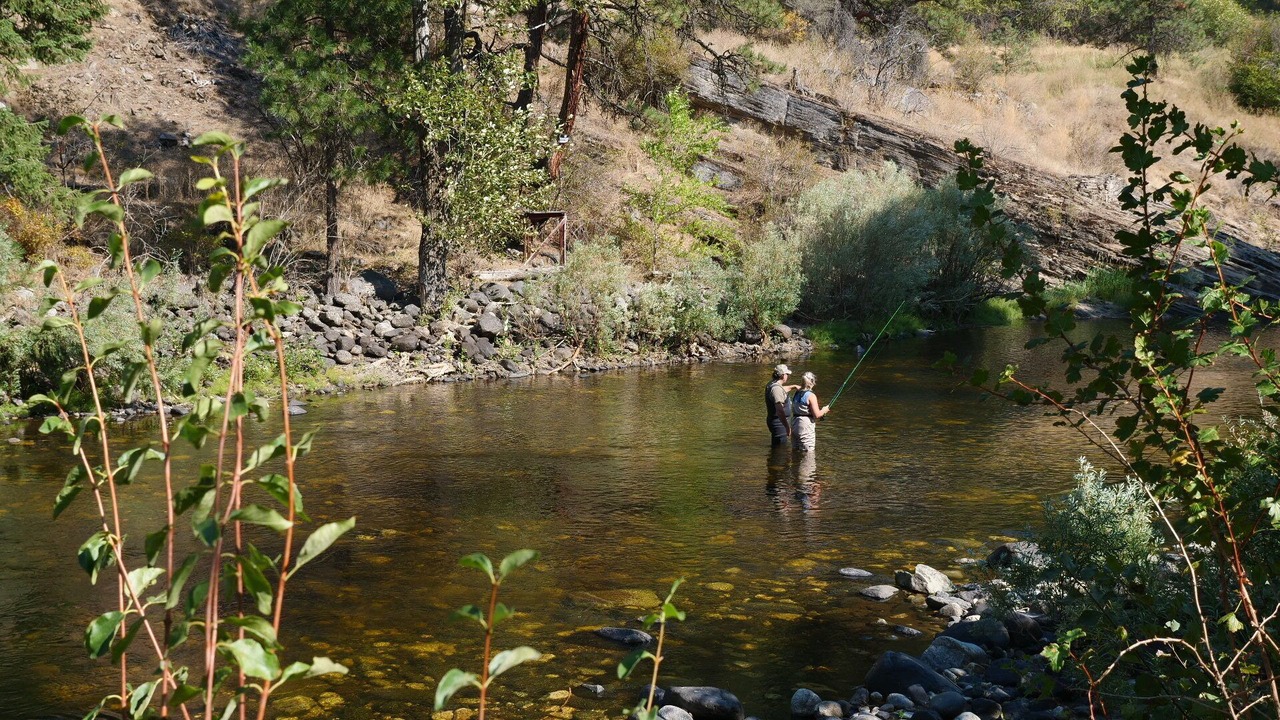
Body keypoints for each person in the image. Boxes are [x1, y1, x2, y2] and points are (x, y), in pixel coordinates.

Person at [791, 371, 830, 452]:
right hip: (805, 426)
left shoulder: (797, 393)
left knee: (795, 451)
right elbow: (817, 415)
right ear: (812, 382)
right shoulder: (811, 395)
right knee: (808, 453)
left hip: (794, 423)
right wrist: (824, 410)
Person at [764, 364, 799, 445]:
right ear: (783, 375)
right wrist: (787, 426)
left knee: (777, 446)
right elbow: (780, 410)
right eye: (787, 374)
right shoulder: (776, 389)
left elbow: (781, 390)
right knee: (780, 449)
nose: (788, 376)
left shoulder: (772, 384)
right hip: (779, 424)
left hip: (777, 422)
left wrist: (793, 386)